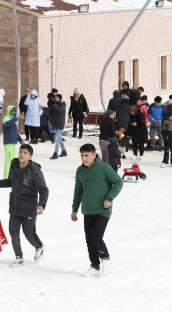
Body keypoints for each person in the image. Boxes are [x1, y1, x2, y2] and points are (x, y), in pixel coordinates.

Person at [0, 143, 48, 268]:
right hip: (15, 205)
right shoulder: (14, 165)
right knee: (13, 232)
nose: (22, 154)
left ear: (30, 156)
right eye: (21, 152)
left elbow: (43, 189)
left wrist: (41, 204)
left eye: (25, 153)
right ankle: (19, 257)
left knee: (28, 233)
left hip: (29, 207)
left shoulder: (35, 171)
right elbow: (11, 181)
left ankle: (39, 246)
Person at [72, 143, 123, 277]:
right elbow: (78, 191)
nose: (84, 158)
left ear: (94, 155)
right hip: (88, 210)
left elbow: (118, 182)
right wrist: (74, 209)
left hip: (103, 210)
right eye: (82, 156)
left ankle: (105, 258)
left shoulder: (104, 168)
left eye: (87, 155)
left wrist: (109, 198)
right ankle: (94, 266)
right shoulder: (80, 171)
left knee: (96, 237)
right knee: (89, 240)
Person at [1, 106, 23, 179]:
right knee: (8, 160)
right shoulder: (5, 118)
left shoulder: (13, 122)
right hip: (8, 142)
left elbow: (15, 133)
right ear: (8, 111)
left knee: (13, 160)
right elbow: (7, 124)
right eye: (12, 111)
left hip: (13, 142)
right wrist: (16, 118)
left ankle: (12, 176)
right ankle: (6, 177)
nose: (13, 112)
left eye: (14, 111)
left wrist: (21, 140)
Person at [49, 94, 67, 159]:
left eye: (56, 98)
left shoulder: (63, 104)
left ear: (60, 98)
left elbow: (60, 110)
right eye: (55, 98)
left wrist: (54, 105)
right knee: (59, 138)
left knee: (57, 138)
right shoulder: (54, 104)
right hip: (55, 123)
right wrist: (43, 108)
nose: (55, 99)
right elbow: (49, 110)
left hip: (60, 123)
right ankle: (64, 151)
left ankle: (55, 153)